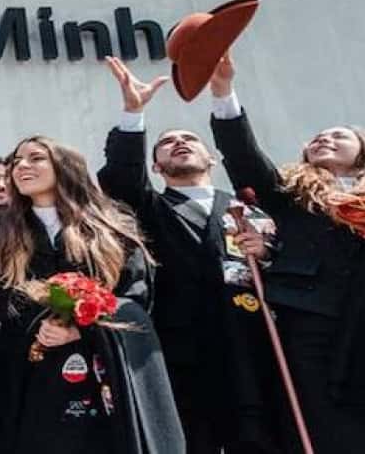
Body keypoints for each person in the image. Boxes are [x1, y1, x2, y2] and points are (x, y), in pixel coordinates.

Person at [0, 104, 185, 454]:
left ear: (64, 167)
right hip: (19, 377)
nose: (21, 166)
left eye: (36, 158)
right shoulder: (2, 229)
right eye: (16, 161)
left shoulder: (111, 229)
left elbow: (135, 296)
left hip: (96, 372)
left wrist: (82, 330)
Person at [208, 53, 365, 453]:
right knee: (324, 427)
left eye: (338, 135)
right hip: (314, 321)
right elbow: (244, 159)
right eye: (317, 138)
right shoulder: (291, 195)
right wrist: (223, 92)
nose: (324, 139)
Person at [99, 57, 283, 453]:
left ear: (212, 158)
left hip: (253, 351)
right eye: (167, 143)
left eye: (189, 138)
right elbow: (121, 180)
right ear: (156, 166)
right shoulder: (148, 209)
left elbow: (247, 159)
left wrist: (222, 93)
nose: (179, 143)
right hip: (181, 355)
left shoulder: (250, 209)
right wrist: (133, 113)